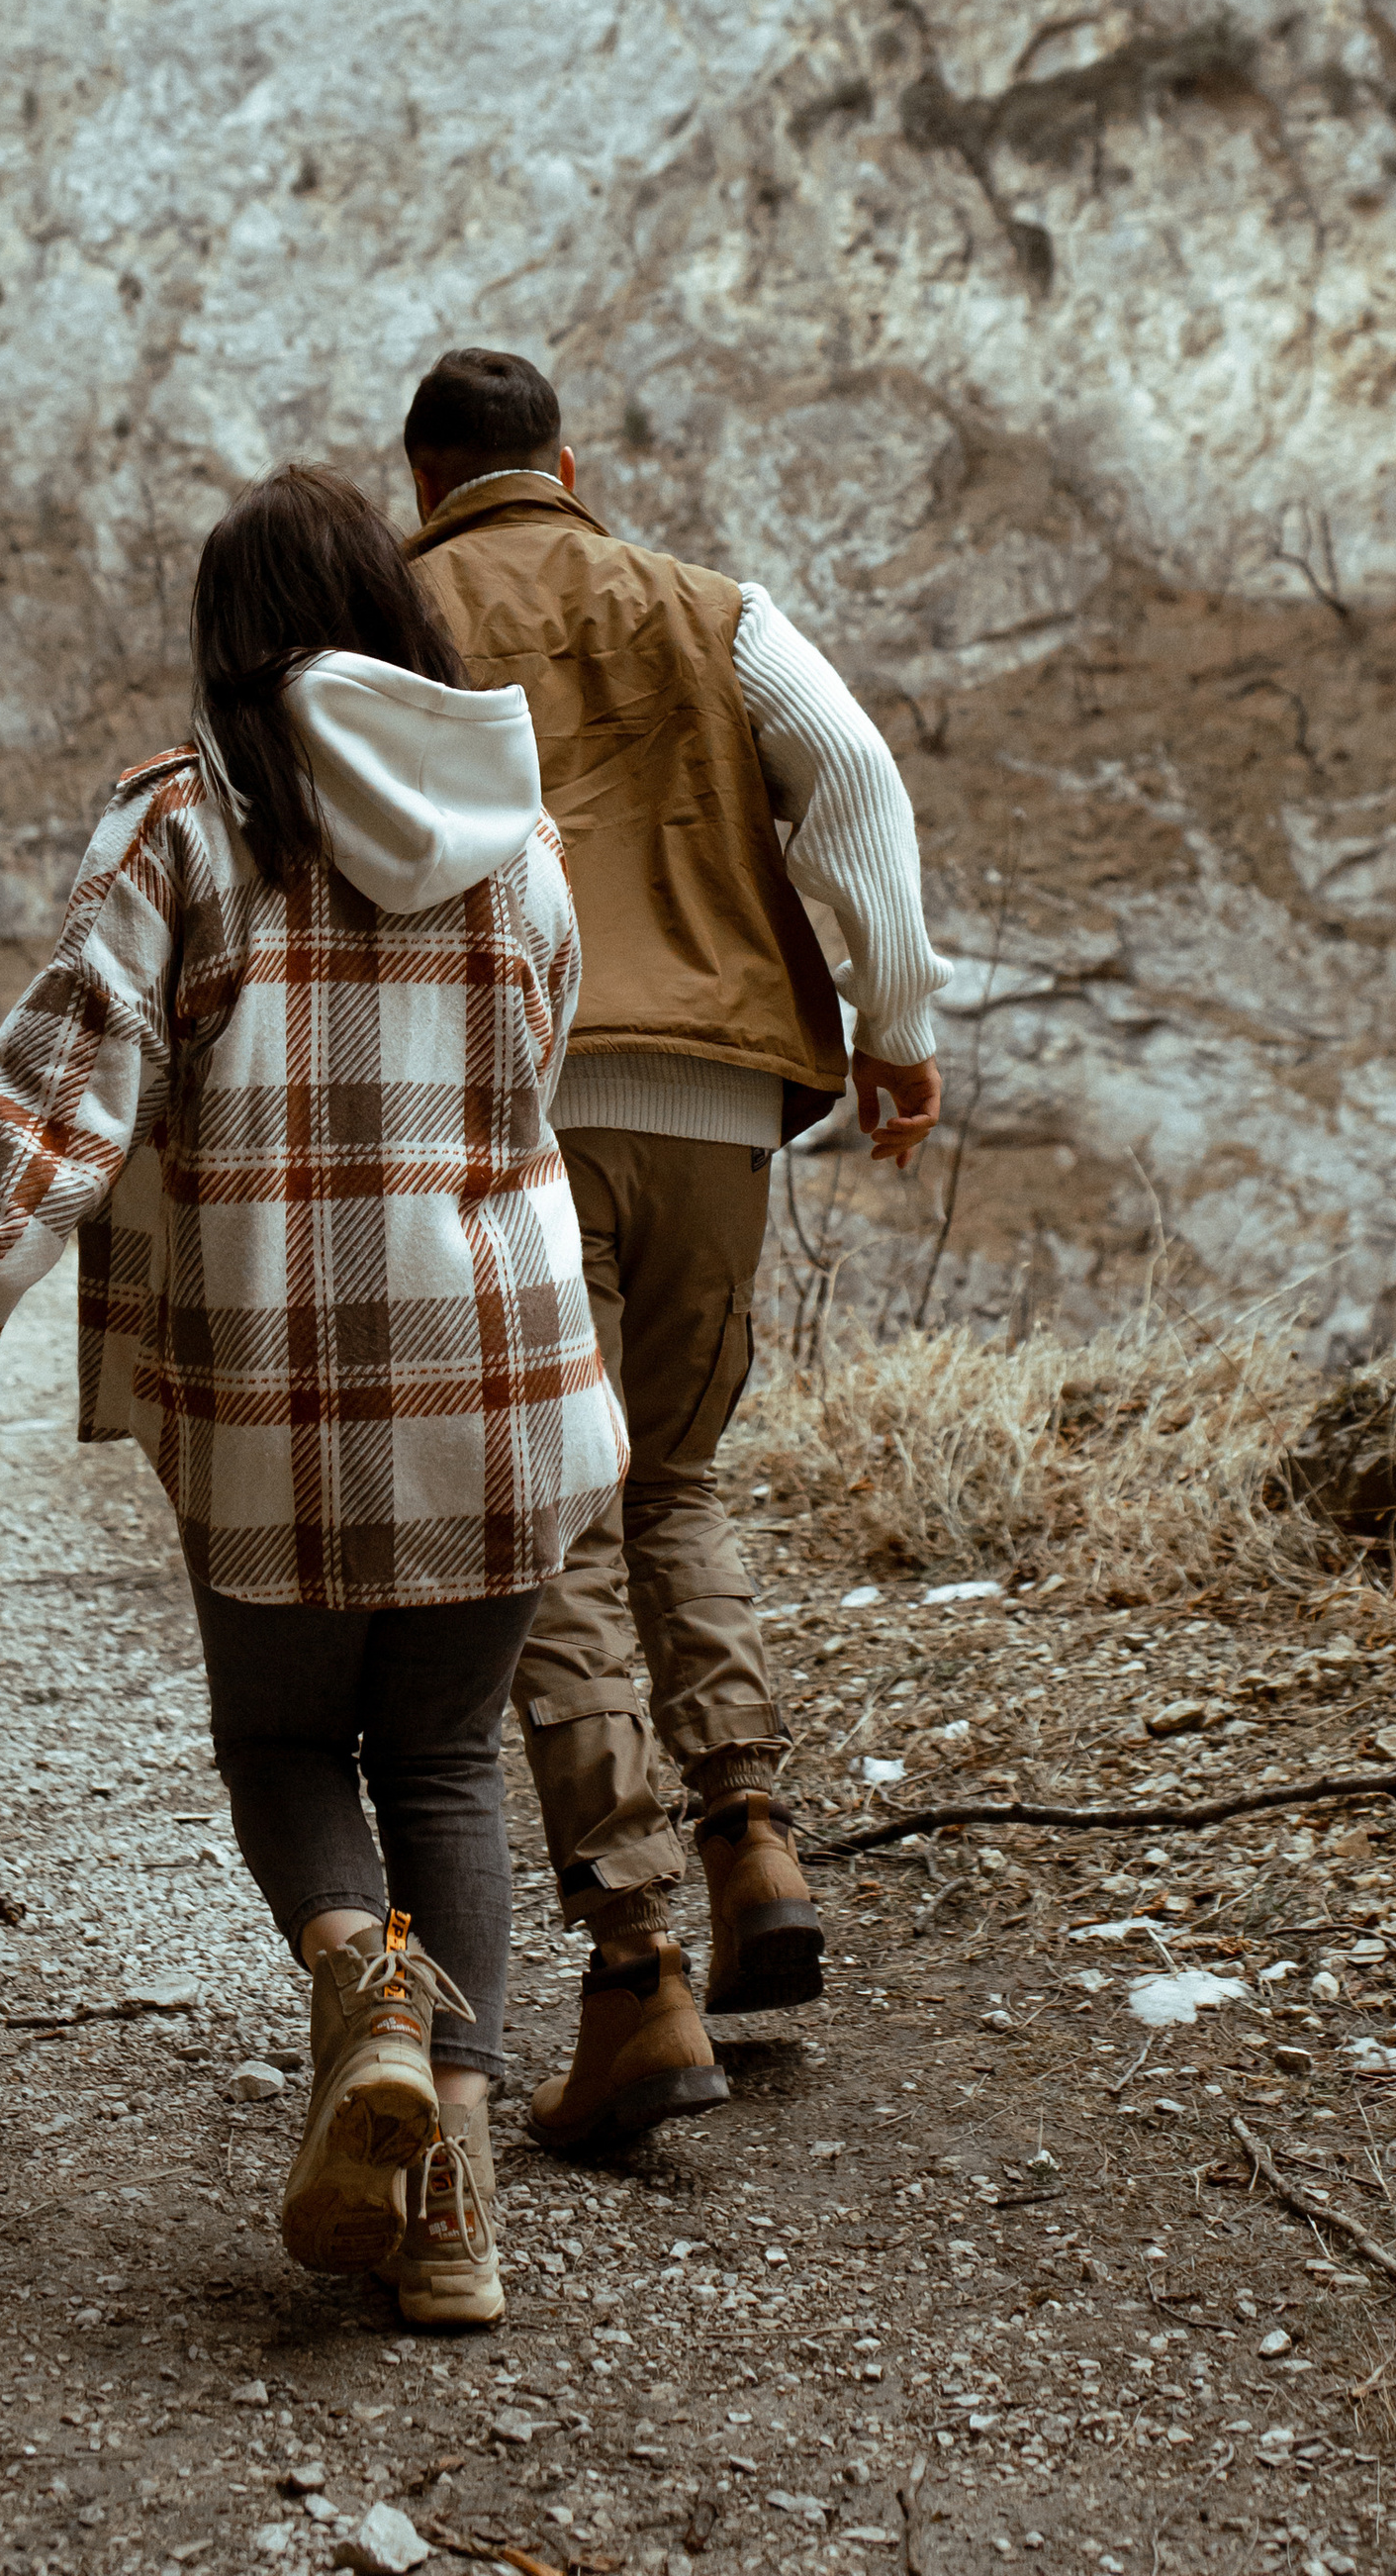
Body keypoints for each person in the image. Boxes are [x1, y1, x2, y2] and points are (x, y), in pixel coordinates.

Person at [0, 464, 624, 2329]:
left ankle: (366, 1994)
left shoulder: (191, 827)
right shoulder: (526, 842)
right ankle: (455, 2213)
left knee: (285, 1752)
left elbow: (60, 1109)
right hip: (505, 1386)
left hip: (280, 1400)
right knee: (441, 1766)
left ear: (231, 642)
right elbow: (532, 1098)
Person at [401, 346, 949, 2155]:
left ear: (424, 486)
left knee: (548, 1511)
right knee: (679, 1480)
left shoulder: (390, 612)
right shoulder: (707, 607)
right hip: (718, 1102)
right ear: (572, 464)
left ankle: (633, 1959)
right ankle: (752, 1839)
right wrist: (895, 1023)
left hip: (508, 1107)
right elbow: (852, 770)